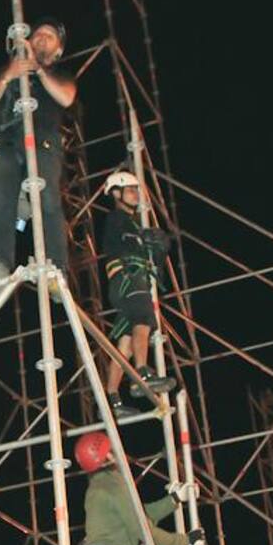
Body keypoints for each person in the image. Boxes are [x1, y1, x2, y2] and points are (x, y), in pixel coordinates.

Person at [0, 20, 77, 282]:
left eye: (50, 37)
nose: (42, 38)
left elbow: (66, 97)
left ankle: (57, 267)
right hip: (8, 139)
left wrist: (39, 71)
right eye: (38, 35)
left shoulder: (60, 74)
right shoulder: (8, 70)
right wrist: (10, 74)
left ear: (58, 51)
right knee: (1, 195)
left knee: (48, 199)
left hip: (43, 139)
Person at [99, 169, 175, 411]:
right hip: (129, 277)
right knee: (143, 319)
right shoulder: (117, 219)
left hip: (125, 282)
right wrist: (144, 239)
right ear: (117, 193)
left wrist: (153, 249)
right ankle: (142, 374)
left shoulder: (127, 223)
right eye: (130, 190)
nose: (136, 195)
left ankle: (112, 400)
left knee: (127, 341)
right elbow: (124, 244)